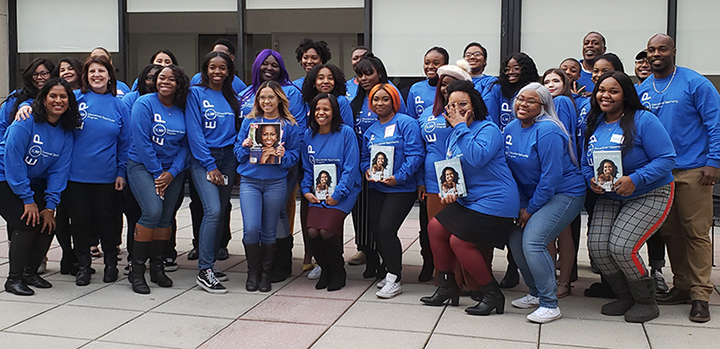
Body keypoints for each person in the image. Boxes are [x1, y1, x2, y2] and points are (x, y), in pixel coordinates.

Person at [17, 56, 130, 286]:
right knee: (79, 223)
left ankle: (110, 263)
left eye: (101, 71)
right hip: (74, 176)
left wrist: (121, 172)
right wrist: (23, 107)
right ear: (85, 76)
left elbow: (126, 143)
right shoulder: (75, 98)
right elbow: (43, 102)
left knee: (108, 221)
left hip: (107, 177)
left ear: (110, 75)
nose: (96, 75)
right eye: (91, 71)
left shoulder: (120, 105)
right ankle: (83, 266)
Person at [637, 33, 720, 323]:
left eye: (662, 49)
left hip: (694, 169)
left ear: (673, 51)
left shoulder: (695, 82)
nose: (656, 54)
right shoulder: (644, 88)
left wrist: (715, 162)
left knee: (695, 232)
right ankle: (682, 286)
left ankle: (700, 295)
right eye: (651, 50)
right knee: (670, 232)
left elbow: (715, 123)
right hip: (660, 174)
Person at [584, 71, 676, 323]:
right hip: (610, 195)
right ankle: (624, 296)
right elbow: (586, 162)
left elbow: (667, 158)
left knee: (622, 247)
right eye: (601, 90)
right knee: (598, 248)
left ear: (625, 95)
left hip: (649, 191)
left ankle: (646, 301)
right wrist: (590, 180)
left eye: (613, 91)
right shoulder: (595, 121)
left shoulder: (644, 120)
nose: (605, 95)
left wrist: (636, 179)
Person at [420, 80, 518, 316]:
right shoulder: (455, 133)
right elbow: (455, 168)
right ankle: (447, 286)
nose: (456, 109)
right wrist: (451, 190)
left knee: (459, 241)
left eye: (462, 104)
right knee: (434, 227)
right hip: (470, 198)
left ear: (474, 105)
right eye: (451, 105)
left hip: (497, 201)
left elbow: (477, 158)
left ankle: (492, 294)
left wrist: (461, 126)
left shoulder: (489, 129)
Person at [505, 83, 585, 324]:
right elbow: (511, 172)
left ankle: (550, 304)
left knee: (534, 240)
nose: (522, 104)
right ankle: (536, 292)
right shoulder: (510, 128)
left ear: (543, 107)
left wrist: (530, 210)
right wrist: (521, 204)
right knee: (516, 241)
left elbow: (551, 177)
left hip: (564, 193)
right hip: (531, 196)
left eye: (531, 101)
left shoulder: (548, 130)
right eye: (520, 98)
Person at [0, 78, 77, 295]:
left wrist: (50, 205)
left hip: (32, 181)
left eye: (63, 96)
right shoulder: (26, 121)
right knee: (26, 222)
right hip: (4, 176)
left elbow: (59, 171)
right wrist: (27, 200)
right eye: (53, 96)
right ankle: (13, 279)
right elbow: (12, 160)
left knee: (47, 223)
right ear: (42, 100)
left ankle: (30, 273)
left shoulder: (65, 131)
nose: (58, 100)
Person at [239, 50, 305, 283]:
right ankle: (252, 273)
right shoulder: (249, 122)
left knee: (269, 228)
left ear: (280, 99)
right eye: (262, 98)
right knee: (251, 228)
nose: (266, 102)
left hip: (276, 181)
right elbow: (238, 154)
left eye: (271, 97)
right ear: (257, 100)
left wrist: (283, 154)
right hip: (250, 181)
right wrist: (246, 146)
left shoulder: (290, 125)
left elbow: (294, 157)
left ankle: (265, 275)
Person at [126, 65, 190, 294]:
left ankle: (157, 267)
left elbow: (185, 144)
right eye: (161, 77)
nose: (165, 81)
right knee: (152, 211)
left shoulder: (183, 108)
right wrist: (157, 174)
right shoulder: (143, 103)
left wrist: (172, 172)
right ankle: (136, 271)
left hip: (173, 170)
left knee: (165, 217)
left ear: (178, 84)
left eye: (171, 79)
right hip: (143, 166)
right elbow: (141, 142)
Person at [361, 83, 423, 299]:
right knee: (378, 231)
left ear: (394, 101)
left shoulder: (407, 123)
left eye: (385, 99)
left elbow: (416, 155)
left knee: (387, 229)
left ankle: (394, 278)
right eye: (376, 99)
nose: (380, 103)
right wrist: (367, 171)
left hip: (401, 188)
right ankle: (390, 271)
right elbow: (363, 159)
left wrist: (399, 177)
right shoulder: (370, 130)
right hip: (376, 187)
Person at [186, 51, 241, 294]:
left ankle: (210, 263)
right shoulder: (195, 93)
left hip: (228, 158)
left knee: (220, 212)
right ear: (205, 70)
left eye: (222, 67)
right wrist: (209, 165)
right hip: (203, 159)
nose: (217, 71)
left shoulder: (231, 96)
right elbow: (194, 132)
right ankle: (204, 270)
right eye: (212, 67)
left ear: (229, 71)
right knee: (212, 210)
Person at [483, 52, 539, 288]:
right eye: (507, 68)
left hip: (526, 151)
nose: (511, 72)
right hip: (503, 152)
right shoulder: (498, 88)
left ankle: (514, 266)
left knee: (524, 217)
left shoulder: (534, 89)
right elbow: (491, 118)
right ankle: (509, 264)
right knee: (508, 214)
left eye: (516, 68)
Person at [349, 53, 406, 278]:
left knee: (385, 224)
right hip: (364, 165)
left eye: (368, 73)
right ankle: (369, 256)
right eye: (359, 74)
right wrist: (364, 167)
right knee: (363, 216)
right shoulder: (354, 99)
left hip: (393, 173)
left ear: (379, 73)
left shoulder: (392, 95)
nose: (364, 78)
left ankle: (388, 265)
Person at [417, 63, 473, 284]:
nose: (445, 88)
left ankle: (465, 280)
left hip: (458, 179)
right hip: (431, 181)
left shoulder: (467, 116)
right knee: (436, 233)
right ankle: (445, 281)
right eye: (443, 84)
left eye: (451, 84)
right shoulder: (427, 115)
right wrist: (421, 180)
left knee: (458, 234)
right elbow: (420, 149)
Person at [301, 93, 361, 291]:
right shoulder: (309, 135)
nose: (321, 113)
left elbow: (351, 168)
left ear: (334, 112)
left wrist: (338, 194)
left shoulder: (346, 133)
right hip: (318, 192)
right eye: (317, 109)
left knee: (326, 231)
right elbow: (308, 169)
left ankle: (338, 271)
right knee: (312, 231)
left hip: (344, 191)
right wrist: (305, 190)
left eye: (326, 109)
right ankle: (325, 268)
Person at [120, 64, 163, 276]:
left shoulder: (174, 103)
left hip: (165, 166)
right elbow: (132, 135)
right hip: (136, 164)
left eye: (159, 77)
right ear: (142, 79)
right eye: (150, 78)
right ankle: (134, 261)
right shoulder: (133, 100)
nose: (154, 81)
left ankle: (157, 263)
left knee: (161, 215)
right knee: (136, 214)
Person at [542, 68, 580, 298]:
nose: (551, 85)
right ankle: (551, 280)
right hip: (551, 174)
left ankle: (564, 281)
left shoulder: (563, 102)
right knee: (550, 233)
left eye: (556, 80)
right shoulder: (546, 105)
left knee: (562, 233)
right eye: (546, 81)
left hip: (563, 175)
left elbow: (561, 135)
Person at [0, 58, 55, 142]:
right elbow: (2, 124)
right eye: (35, 74)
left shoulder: (57, 100)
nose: (39, 77)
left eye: (44, 74)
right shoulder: (17, 96)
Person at [406, 46, 448, 119]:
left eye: (436, 63)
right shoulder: (415, 89)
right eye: (427, 63)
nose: (430, 66)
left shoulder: (450, 89)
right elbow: (411, 118)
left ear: (445, 65)